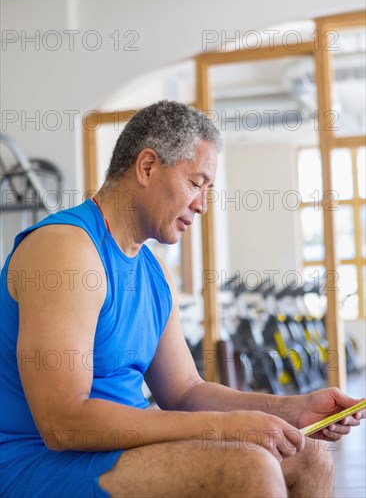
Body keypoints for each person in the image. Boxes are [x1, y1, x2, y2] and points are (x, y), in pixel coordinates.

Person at [0, 100, 364, 498]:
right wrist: (227, 428)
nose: (203, 204)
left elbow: (185, 391)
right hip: (38, 462)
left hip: (119, 451)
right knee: (248, 465)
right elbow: (62, 423)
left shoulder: (153, 272)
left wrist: (290, 409)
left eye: (208, 189)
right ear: (147, 167)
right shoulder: (66, 251)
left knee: (310, 453)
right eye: (196, 183)